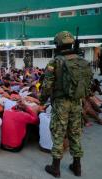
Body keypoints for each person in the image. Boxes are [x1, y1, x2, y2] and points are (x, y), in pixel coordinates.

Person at [40, 31, 93, 177]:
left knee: (58, 132)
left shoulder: (55, 62)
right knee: (75, 133)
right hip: (77, 102)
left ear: (58, 44)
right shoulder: (80, 60)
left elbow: (47, 86)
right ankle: (77, 166)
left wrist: (41, 100)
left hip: (61, 102)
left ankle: (55, 168)